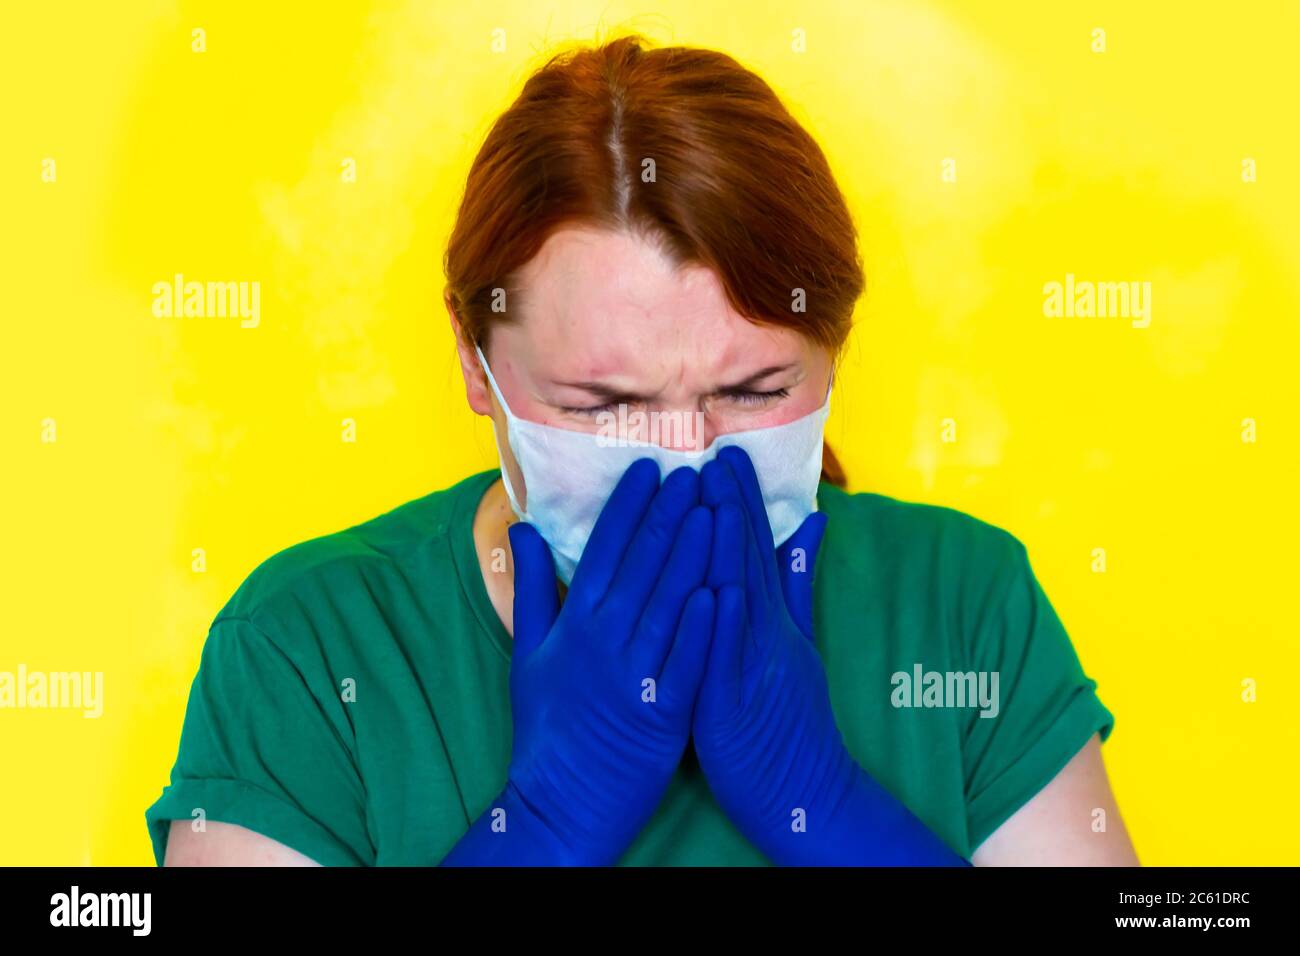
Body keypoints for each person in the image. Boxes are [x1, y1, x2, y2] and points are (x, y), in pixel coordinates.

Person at [146, 35, 1137, 866]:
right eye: (605, 401)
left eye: (752, 389)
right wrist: (540, 823)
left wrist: (826, 803)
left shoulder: (961, 601)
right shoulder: (312, 647)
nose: (682, 458)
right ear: (473, 361)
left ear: (832, 351)